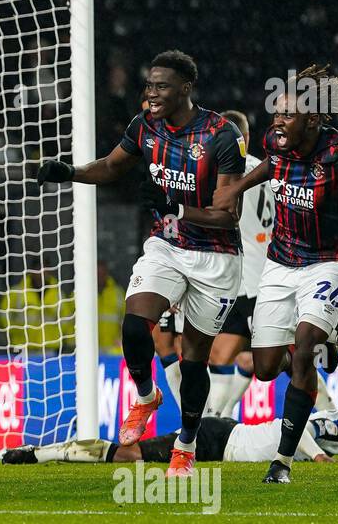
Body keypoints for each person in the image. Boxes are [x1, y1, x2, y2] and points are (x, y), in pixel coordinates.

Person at [36, 50, 246, 478]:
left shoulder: (222, 135)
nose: (151, 93)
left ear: (185, 89)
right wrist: (70, 172)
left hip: (216, 259)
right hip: (166, 246)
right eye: (149, 85)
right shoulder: (144, 126)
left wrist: (181, 209)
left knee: (193, 360)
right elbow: (112, 166)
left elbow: (229, 213)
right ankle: (147, 395)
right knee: (135, 324)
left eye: (162, 86)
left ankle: (185, 446)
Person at [214, 66, 338, 485]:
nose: (277, 120)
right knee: (265, 367)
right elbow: (271, 164)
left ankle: (281, 461)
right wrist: (237, 187)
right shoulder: (275, 142)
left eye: (287, 114)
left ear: (314, 120)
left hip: (329, 262)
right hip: (280, 263)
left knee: (302, 347)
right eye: (276, 113)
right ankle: (313, 351)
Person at [2, 391, 338, 466]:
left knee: (132, 457)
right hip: (221, 439)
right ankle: (42, 453)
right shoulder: (333, 424)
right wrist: (317, 456)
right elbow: (299, 424)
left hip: (226, 441)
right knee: (130, 455)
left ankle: (43, 454)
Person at [204, 109, 272, 418]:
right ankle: (218, 420)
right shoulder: (263, 168)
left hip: (252, 280)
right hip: (245, 276)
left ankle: (330, 420)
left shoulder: (233, 172)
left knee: (280, 360)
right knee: (223, 354)